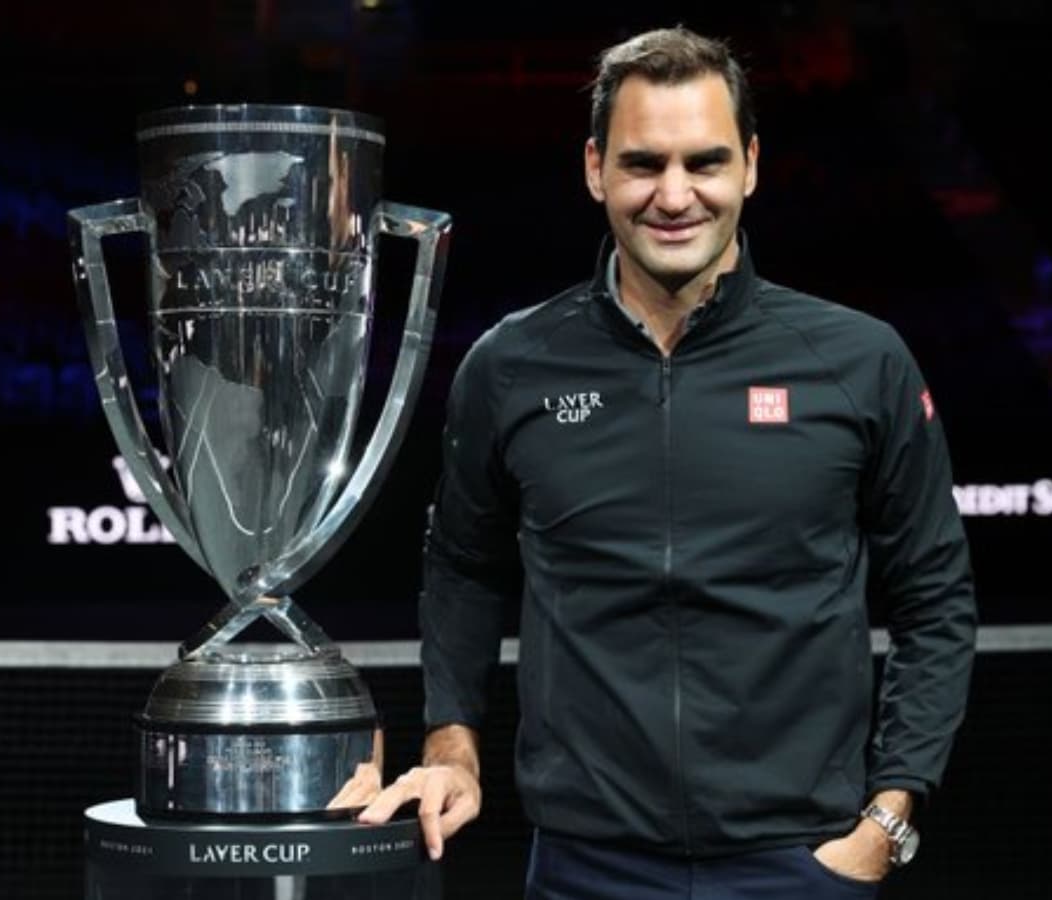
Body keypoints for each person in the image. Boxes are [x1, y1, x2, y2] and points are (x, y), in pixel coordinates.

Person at [359, 24, 978, 899]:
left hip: (803, 865)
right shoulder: (511, 366)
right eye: (644, 163)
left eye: (706, 162)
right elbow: (462, 564)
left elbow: (936, 599)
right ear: (594, 169)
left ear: (751, 167)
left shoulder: (860, 361)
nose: (675, 195)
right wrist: (450, 739)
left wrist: (887, 817)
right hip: (585, 865)